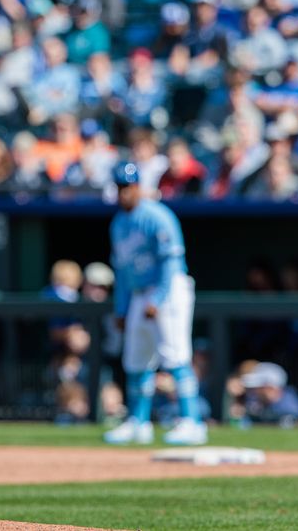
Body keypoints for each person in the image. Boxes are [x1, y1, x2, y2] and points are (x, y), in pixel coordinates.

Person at [103, 162, 207, 446]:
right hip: (139, 292)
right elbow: (122, 272)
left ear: (138, 186)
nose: (124, 193)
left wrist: (158, 298)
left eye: (128, 187)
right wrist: (121, 308)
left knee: (175, 356)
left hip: (169, 288)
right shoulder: (119, 223)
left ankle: (192, 421)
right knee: (136, 359)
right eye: (120, 187)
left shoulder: (158, 216)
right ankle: (138, 422)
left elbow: (171, 261)